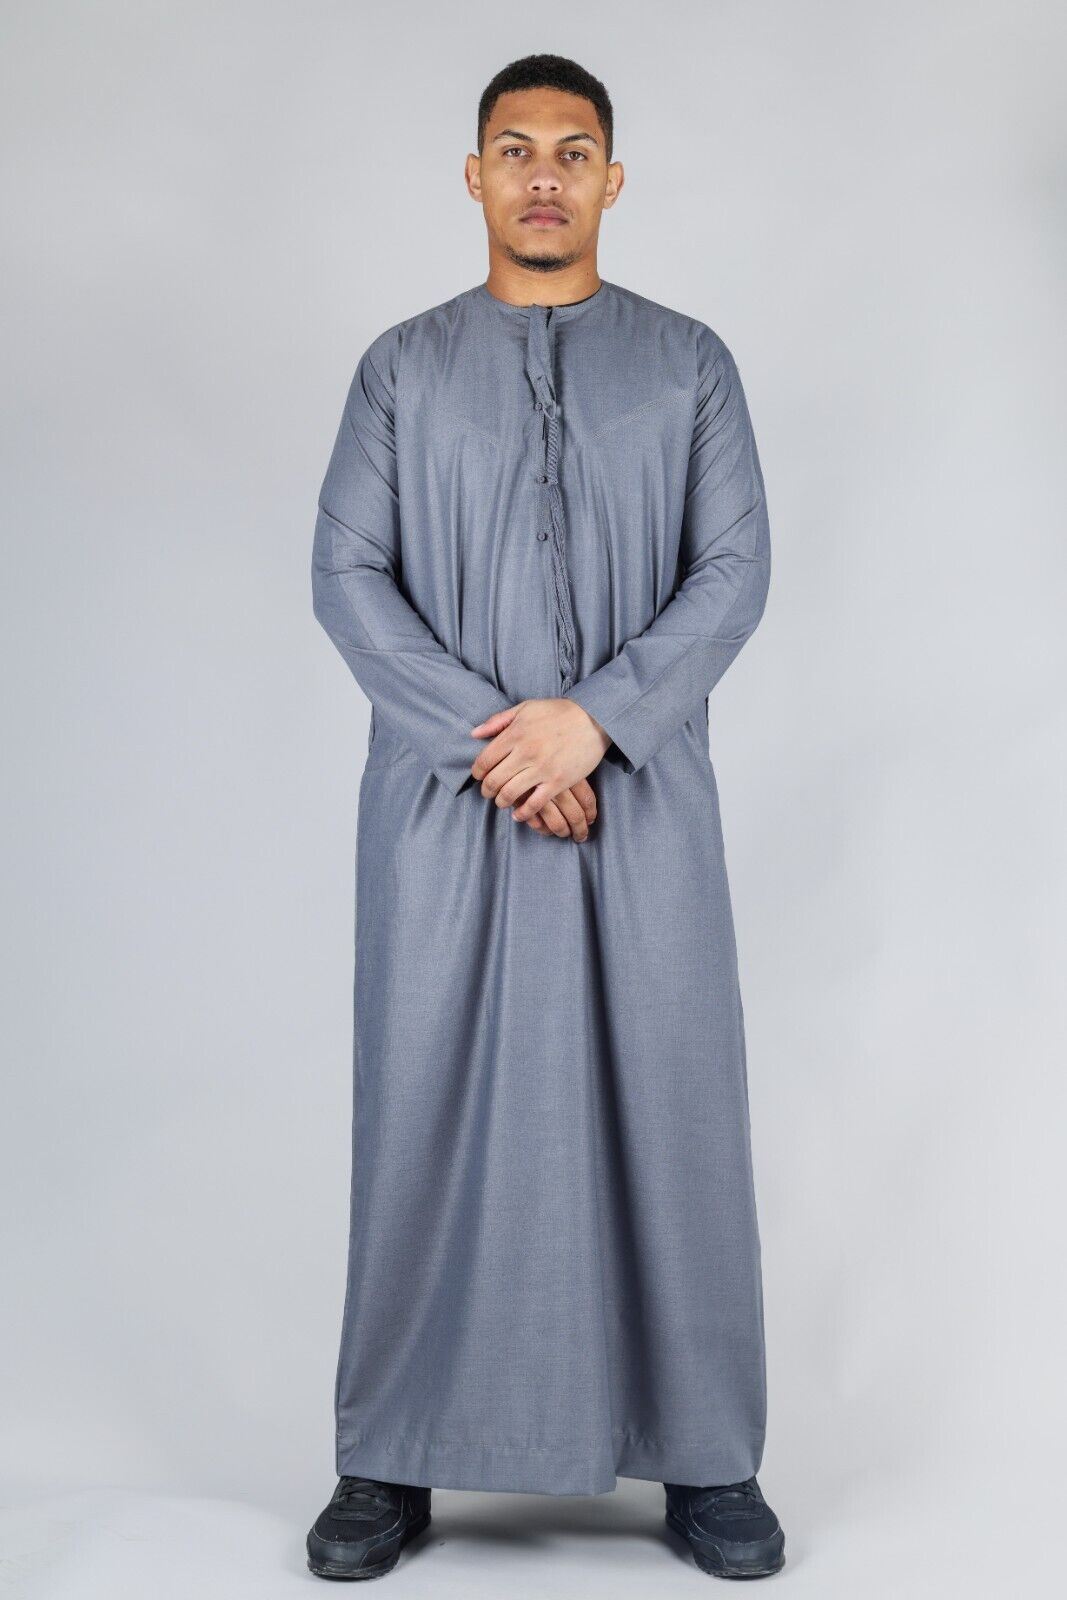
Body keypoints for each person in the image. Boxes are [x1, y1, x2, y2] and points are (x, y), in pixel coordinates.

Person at [305, 51, 785, 1582]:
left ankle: (705, 1453)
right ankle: (390, 1454)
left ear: (613, 180)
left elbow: (734, 570)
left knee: (671, 1101)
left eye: (573, 152)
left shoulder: (691, 366)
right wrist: (501, 743)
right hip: (446, 809)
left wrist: (601, 720)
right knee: (424, 1103)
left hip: (642, 803)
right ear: (474, 176)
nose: (543, 178)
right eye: (514, 150)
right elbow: (347, 576)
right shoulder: (400, 370)